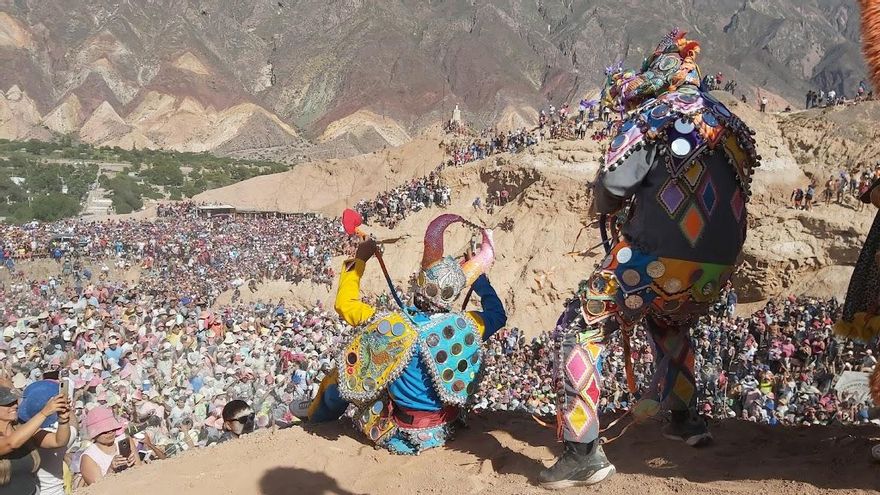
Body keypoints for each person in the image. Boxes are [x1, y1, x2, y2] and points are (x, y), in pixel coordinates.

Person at [538, 29, 760, 489]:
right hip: (712, 274)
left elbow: (612, 188)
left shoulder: (654, 118)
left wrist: (605, 205)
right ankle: (684, 419)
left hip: (654, 259)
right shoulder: (730, 125)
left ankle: (582, 452)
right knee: (667, 319)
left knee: (578, 323)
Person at [308, 214, 506, 454]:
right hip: (447, 425)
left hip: (402, 429)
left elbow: (345, 303)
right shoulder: (468, 324)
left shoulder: (391, 324)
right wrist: (480, 282)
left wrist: (359, 259)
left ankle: (316, 419)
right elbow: (497, 314)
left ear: (419, 286)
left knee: (340, 377)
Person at [0, 386, 71, 495]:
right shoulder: (22, 433)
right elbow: (11, 444)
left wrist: (63, 420)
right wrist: (44, 413)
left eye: (14, 402)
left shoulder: (21, 428)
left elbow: (58, 441)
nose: (14, 405)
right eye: (7, 404)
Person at [79, 407, 139, 486]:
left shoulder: (124, 439)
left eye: (112, 428)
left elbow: (140, 470)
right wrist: (111, 469)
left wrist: (133, 463)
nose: (110, 432)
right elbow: (98, 489)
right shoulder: (89, 457)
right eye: (105, 431)